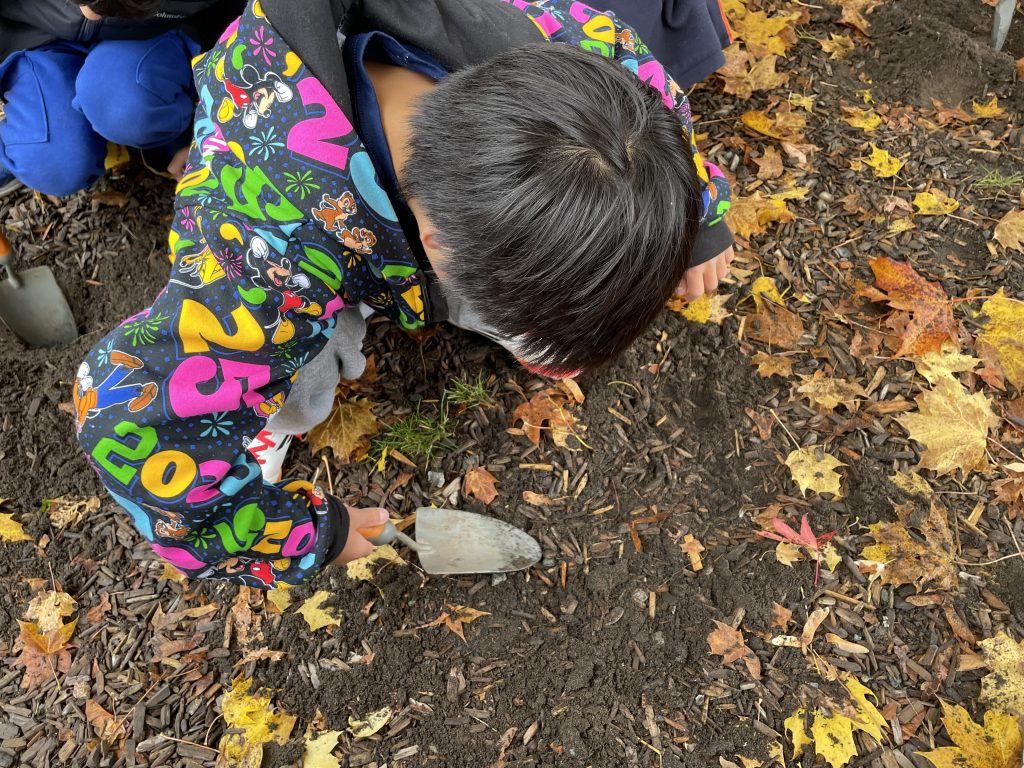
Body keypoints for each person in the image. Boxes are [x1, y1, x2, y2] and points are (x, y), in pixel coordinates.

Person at [74, 0, 735, 589]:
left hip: (402, 212)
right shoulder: (262, 243)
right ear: (438, 249)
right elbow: (125, 416)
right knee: (293, 370)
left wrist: (696, 215)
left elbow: (649, 103)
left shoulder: (554, 40)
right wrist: (300, 537)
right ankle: (273, 421)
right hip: (305, 229)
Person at [0, 0, 244, 197]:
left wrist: (211, 133)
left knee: (126, 108)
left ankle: (168, 137)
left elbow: (251, 26)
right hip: (37, 34)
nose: (91, 14)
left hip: (154, 29)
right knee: (54, 163)